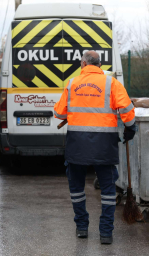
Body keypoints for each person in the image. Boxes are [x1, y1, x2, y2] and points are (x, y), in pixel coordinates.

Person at [54, 51, 136, 244]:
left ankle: (82, 227)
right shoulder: (112, 83)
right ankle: (106, 233)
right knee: (108, 190)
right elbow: (127, 112)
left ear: (83, 64)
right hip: (104, 146)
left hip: (77, 146)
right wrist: (131, 129)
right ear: (99, 65)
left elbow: (59, 113)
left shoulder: (72, 84)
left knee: (76, 188)